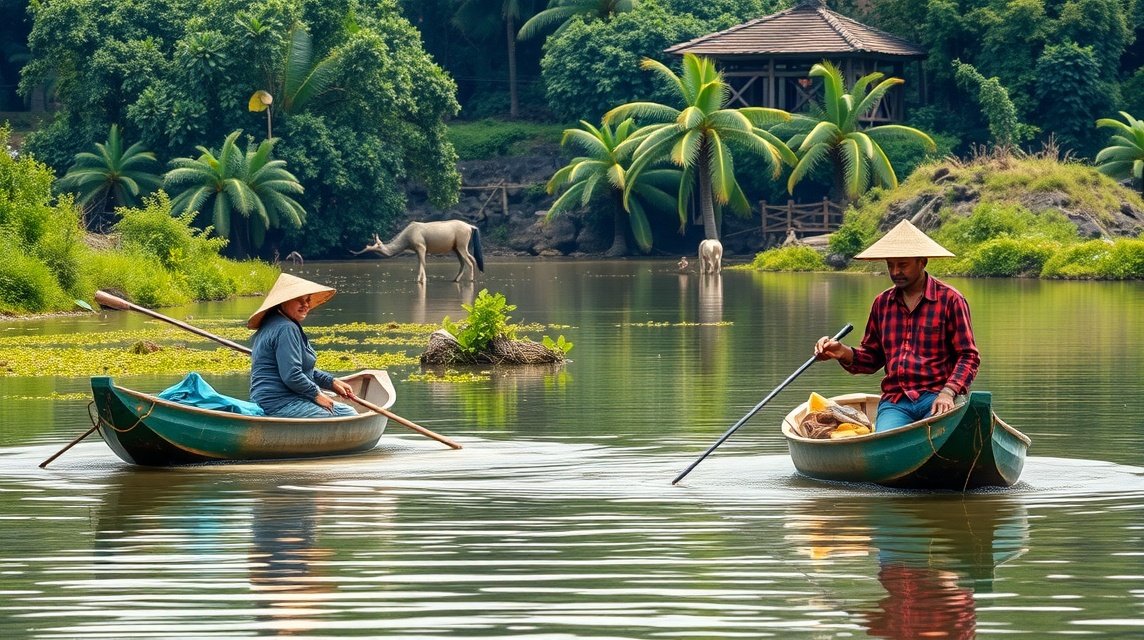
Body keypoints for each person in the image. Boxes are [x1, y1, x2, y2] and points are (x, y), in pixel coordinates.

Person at [813, 220, 980, 431]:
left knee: (939, 429)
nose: (895, 271)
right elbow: (872, 358)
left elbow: (969, 356)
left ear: (922, 262)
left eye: (902, 265)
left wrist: (948, 392)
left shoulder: (950, 300)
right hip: (896, 401)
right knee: (885, 439)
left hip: (937, 396)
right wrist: (841, 352)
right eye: (890, 265)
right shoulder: (882, 304)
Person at [247, 273, 359, 418]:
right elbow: (292, 375)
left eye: (307, 300)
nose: (305, 305)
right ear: (283, 301)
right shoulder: (286, 328)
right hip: (280, 402)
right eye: (298, 300)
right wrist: (317, 394)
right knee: (346, 417)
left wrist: (331, 381)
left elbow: (302, 368)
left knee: (347, 412)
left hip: (274, 400)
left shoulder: (275, 323)